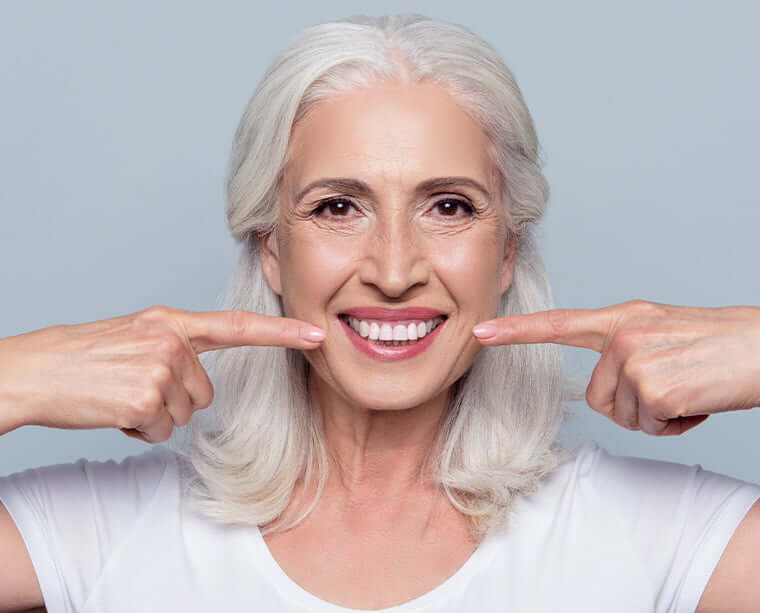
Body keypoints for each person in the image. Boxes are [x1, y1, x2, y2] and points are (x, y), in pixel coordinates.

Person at [1, 13, 759, 612]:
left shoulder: (645, 529)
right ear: (270, 250)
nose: (394, 270)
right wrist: (15, 377)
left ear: (506, 254)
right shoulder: (108, 529)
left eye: (449, 206)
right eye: (337, 206)